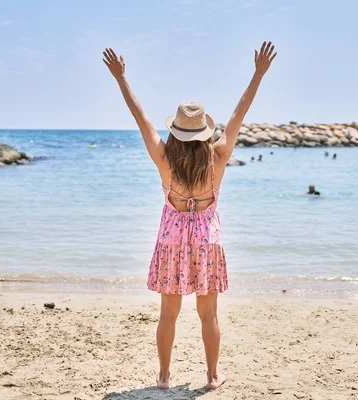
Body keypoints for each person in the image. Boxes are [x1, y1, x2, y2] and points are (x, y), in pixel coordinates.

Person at [103, 41, 276, 390]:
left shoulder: (163, 159)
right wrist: (258, 74)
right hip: (206, 242)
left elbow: (141, 118)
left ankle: (164, 377)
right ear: (204, 132)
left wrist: (121, 79)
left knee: (169, 312)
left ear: (176, 132)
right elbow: (240, 113)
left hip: (171, 240)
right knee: (208, 313)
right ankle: (213, 376)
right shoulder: (219, 157)